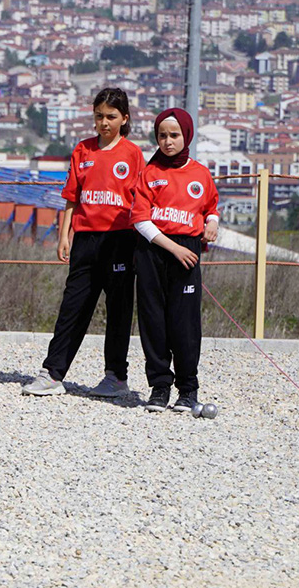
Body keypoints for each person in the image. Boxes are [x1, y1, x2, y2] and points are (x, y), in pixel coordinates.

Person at [23, 88, 144, 398]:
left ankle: (116, 377)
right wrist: (64, 236)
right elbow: (71, 199)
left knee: (118, 310)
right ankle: (52, 373)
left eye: (111, 117)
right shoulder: (82, 151)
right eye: (99, 116)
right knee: (73, 306)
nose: (104, 122)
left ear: (124, 119)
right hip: (85, 240)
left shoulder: (132, 154)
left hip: (119, 240)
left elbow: (141, 201)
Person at [131, 107, 219, 413]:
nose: (168, 142)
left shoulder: (200, 174)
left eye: (174, 135)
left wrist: (213, 223)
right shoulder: (149, 173)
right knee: (153, 320)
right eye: (162, 136)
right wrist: (173, 249)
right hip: (155, 250)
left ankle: (188, 389)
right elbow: (141, 221)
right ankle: (159, 386)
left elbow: (211, 206)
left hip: (188, 251)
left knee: (184, 323)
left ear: (187, 135)